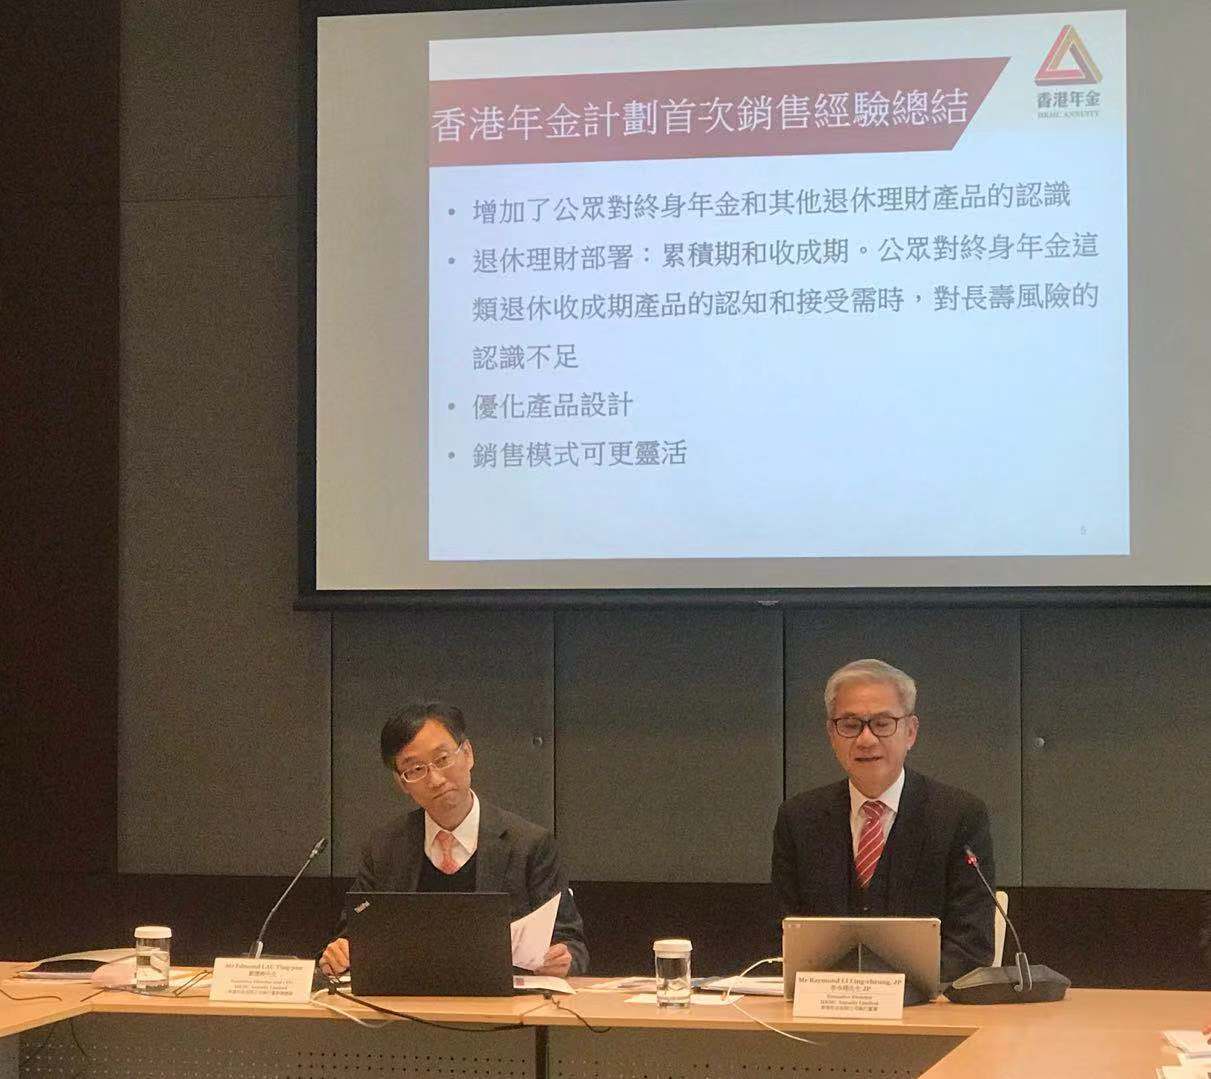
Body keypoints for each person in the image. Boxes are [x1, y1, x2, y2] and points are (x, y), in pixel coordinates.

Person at [321, 701, 587, 977]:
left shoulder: (529, 845)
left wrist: (563, 959)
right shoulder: (385, 849)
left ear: (468, 754)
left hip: (505, 1000)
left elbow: (572, 944)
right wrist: (339, 953)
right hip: (407, 1000)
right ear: (401, 783)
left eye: (442, 759)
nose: (435, 779)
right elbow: (351, 936)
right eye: (416, 769)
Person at [771, 658, 995, 984]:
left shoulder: (958, 816)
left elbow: (972, 947)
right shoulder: (799, 819)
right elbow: (781, 935)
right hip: (824, 1004)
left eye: (882, 723)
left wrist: (892, 989)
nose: (866, 739)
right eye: (850, 725)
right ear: (832, 734)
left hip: (924, 1005)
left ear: (910, 732)